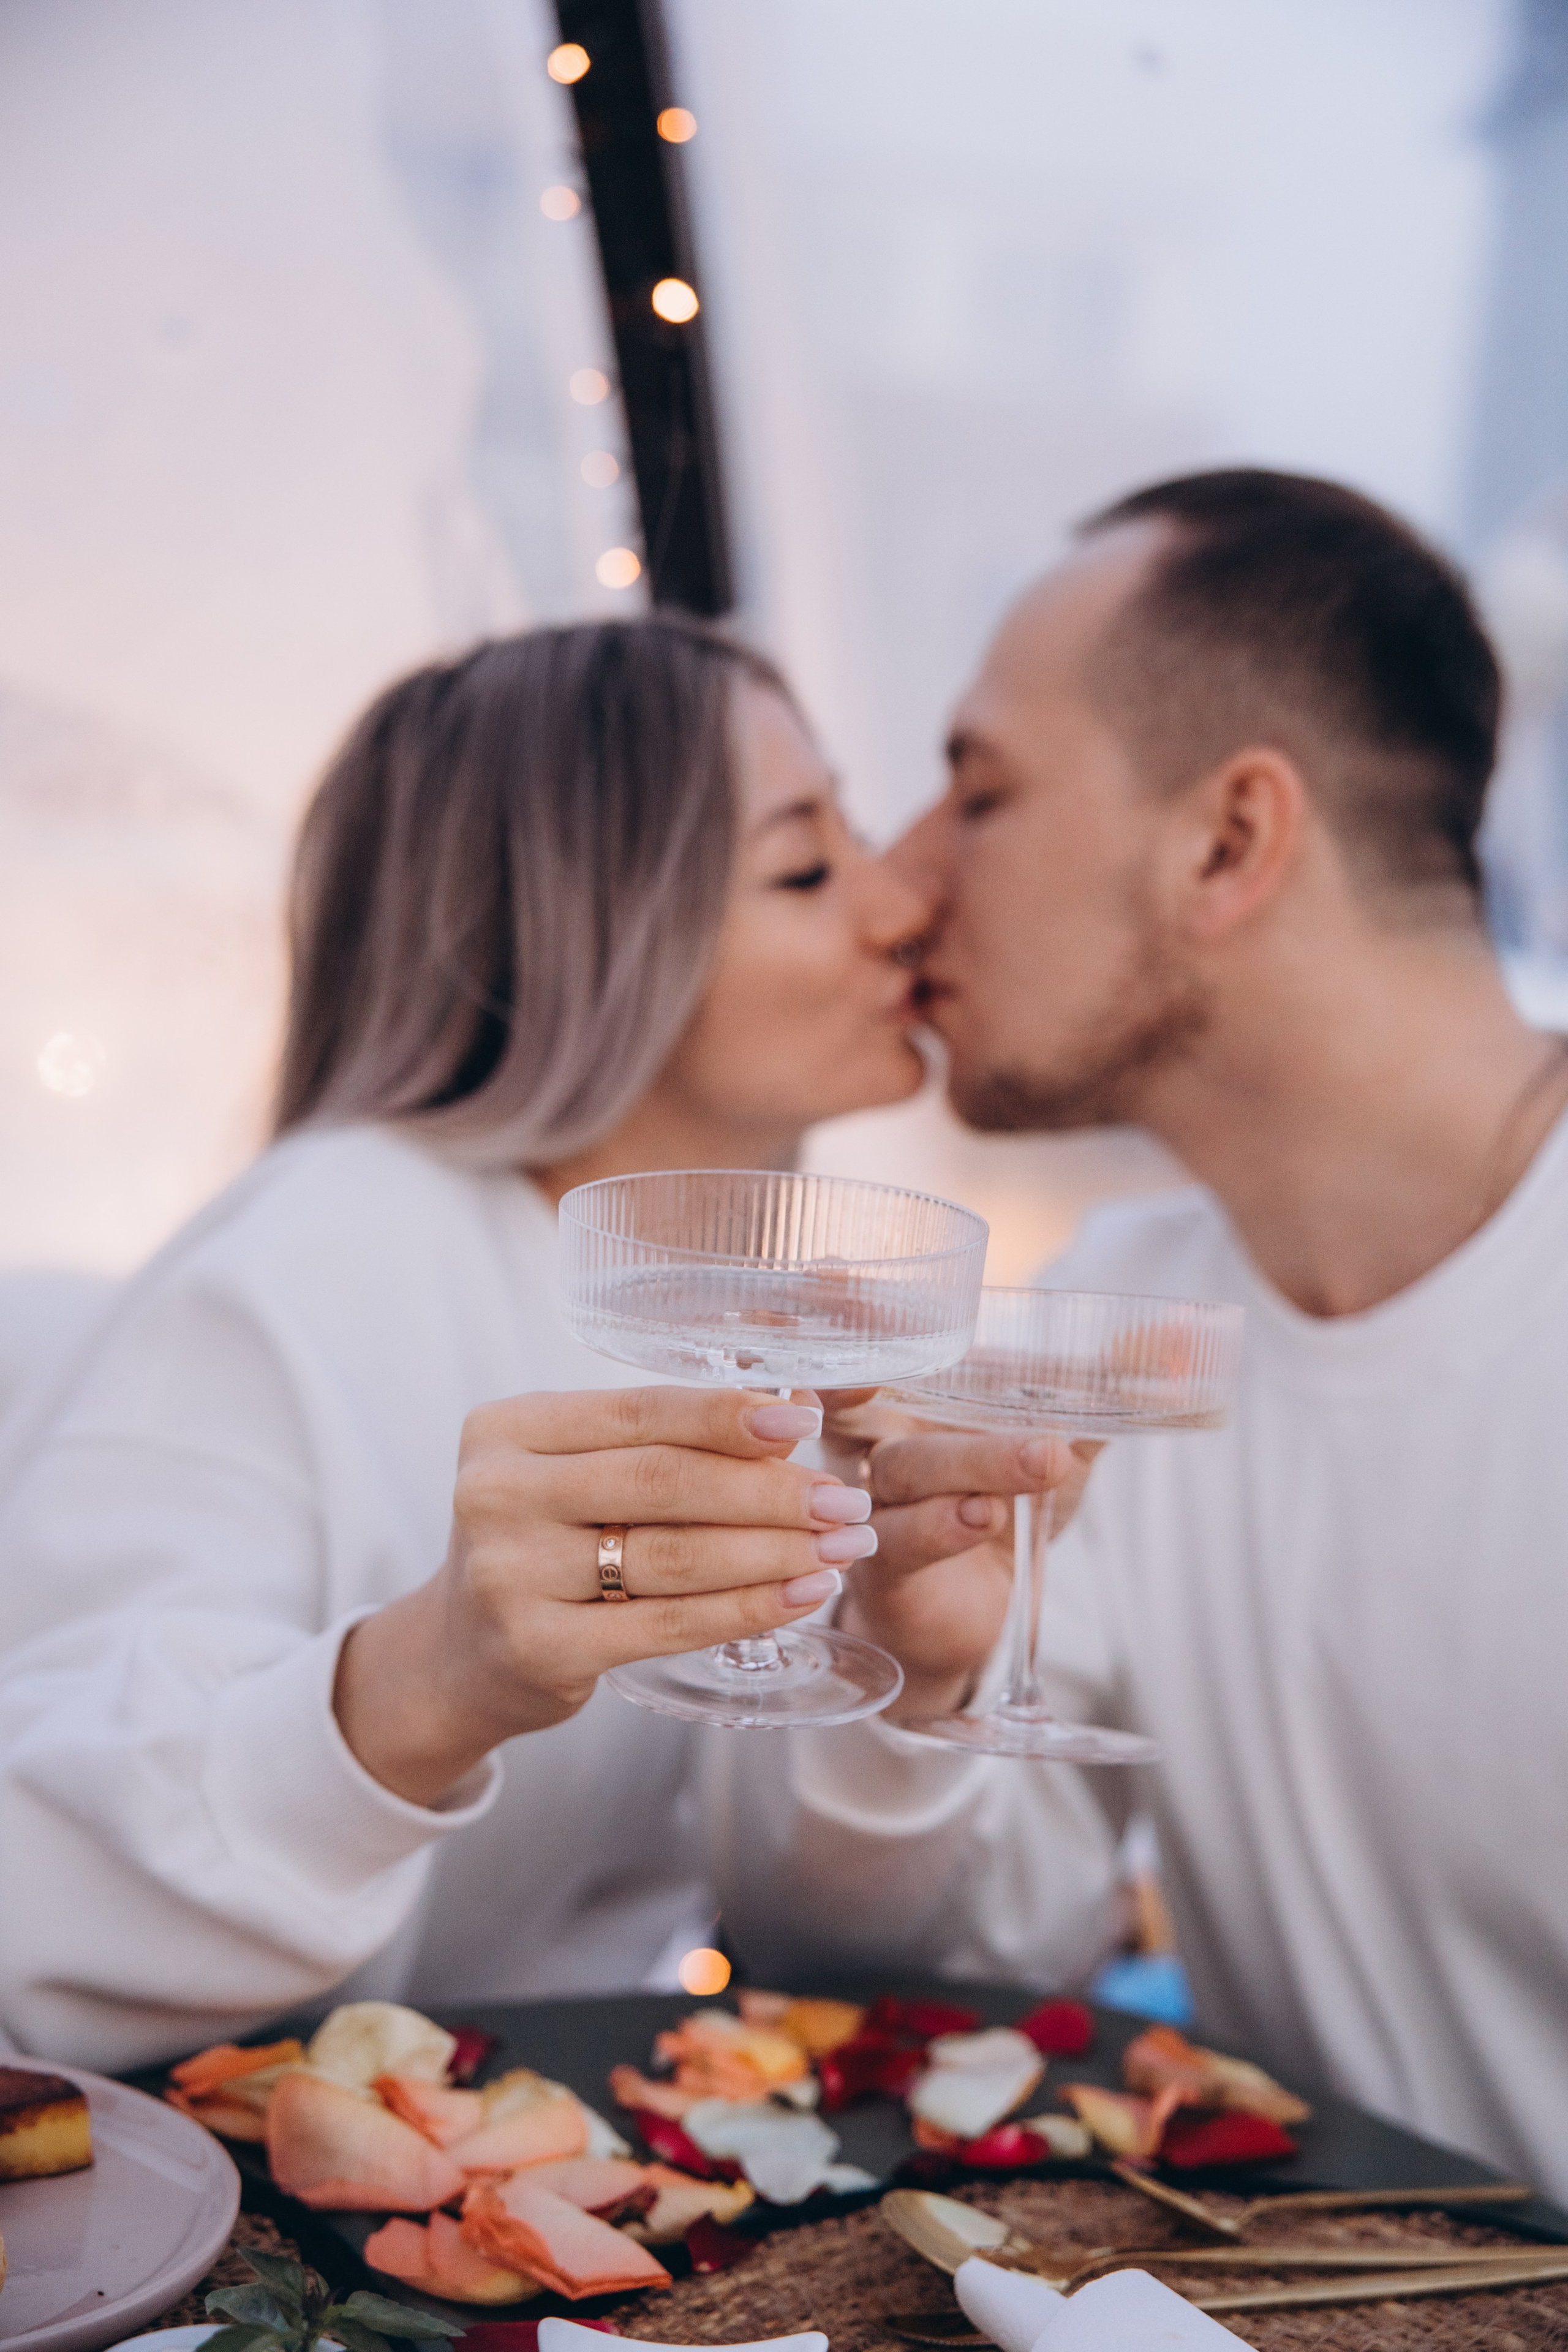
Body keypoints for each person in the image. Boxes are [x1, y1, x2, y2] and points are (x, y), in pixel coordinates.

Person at [0, 615, 1113, 2071]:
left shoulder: (759, 1328)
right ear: (585, 932)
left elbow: (819, 1968)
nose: (900, 900)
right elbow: (35, 1908)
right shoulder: (312, 1257)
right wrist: (416, 1685)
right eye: (803, 863)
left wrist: (907, 1669)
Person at [804, 469, 1568, 2201]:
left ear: (1230, 841)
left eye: (977, 793)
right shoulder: (1105, 1333)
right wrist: (910, 1683)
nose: (901, 890)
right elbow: (932, 1975)